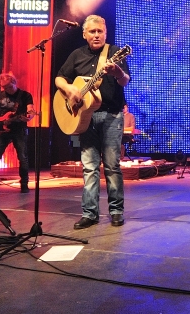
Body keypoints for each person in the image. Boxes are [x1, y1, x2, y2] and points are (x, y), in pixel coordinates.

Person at [55, 15, 130, 229]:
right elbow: (59, 78)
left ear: (105, 33)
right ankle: (90, 213)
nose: (97, 35)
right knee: (89, 167)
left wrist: (117, 72)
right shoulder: (76, 55)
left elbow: (125, 81)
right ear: (84, 34)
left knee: (112, 166)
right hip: (85, 117)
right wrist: (70, 90)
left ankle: (116, 211)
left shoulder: (115, 53)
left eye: (100, 31)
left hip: (111, 115)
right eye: (92, 32)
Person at [0, 72, 35, 195]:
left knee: (23, 158)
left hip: (19, 130)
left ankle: (24, 185)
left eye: (10, 87)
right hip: (1, 130)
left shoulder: (25, 95)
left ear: (14, 83)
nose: (8, 90)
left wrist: (29, 117)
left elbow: (30, 110)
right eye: (5, 88)